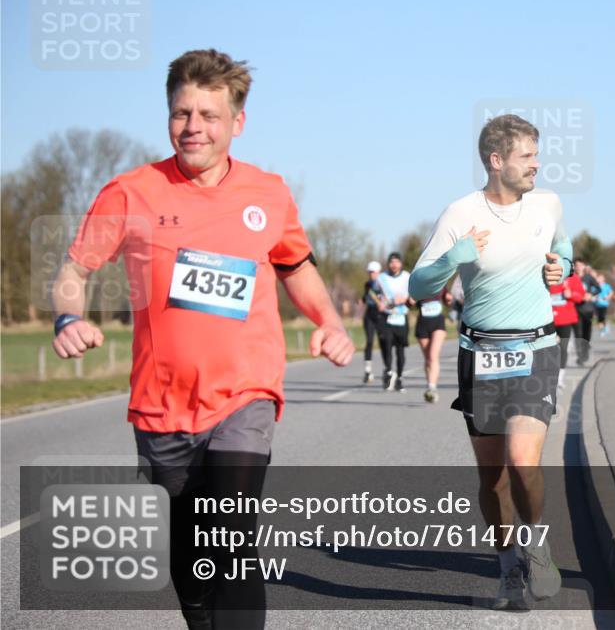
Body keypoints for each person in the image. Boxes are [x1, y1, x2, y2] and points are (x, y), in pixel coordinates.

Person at [50, 49, 355, 630]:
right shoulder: (130, 192)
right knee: (191, 558)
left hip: (245, 394)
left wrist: (330, 322)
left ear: (237, 122)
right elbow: (74, 271)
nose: (193, 127)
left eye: (208, 115)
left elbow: (297, 266)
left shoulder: (267, 193)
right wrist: (69, 318)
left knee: (234, 538)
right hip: (162, 406)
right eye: (181, 113)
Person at [409, 114, 571, 610]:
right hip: (480, 354)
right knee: (492, 477)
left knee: (524, 462)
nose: (537, 167)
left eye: (537, 156)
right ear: (496, 160)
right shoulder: (460, 214)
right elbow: (418, 286)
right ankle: (507, 571)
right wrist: (452, 257)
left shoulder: (547, 204)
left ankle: (537, 546)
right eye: (527, 157)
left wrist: (560, 265)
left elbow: (563, 248)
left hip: (535, 348)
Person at [377, 252, 411, 392]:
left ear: (401, 263)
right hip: (387, 316)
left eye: (397, 261)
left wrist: (402, 300)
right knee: (386, 345)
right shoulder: (382, 278)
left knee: (400, 349)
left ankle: (400, 378)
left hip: (402, 316)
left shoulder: (407, 277)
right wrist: (380, 302)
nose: (394, 264)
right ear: (388, 264)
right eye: (391, 262)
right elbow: (376, 294)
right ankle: (389, 371)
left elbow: (411, 296)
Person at [415, 286, 451, 403]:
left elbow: (447, 301)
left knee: (432, 356)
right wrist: (409, 300)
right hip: (422, 323)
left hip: (438, 322)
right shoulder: (417, 282)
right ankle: (430, 384)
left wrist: (449, 299)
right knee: (427, 359)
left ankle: (432, 388)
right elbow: (409, 304)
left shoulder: (441, 282)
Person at [551, 270, 584, 386]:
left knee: (563, 348)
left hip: (565, 319)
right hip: (547, 319)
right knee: (549, 348)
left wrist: (572, 295)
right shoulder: (546, 273)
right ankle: (549, 373)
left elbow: (581, 296)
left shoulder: (572, 277)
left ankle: (560, 377)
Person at [360, 260, 386, 384]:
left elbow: (388, 298)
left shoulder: (384, 284)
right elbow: (365, 298)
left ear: (378, 272)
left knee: (383, 342)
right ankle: (368, 370)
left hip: (381, 315)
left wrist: (383, 303)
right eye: (369, 272)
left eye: (373, 272)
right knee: (369, 341)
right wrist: (363, 300)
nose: (371, 275)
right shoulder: (367, 285)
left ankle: (387, 369)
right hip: (370, 314)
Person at [573, 260, 600, 365]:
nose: (578, 267)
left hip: (587, 309)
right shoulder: (571, 277)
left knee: (586, 334)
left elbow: (598, 288)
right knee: (578, 334)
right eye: (576, 265)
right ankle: (581, 357)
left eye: (580, 265)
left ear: (584, 266)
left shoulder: (588, 277)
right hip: (575, 309)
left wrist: (590, 294)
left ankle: (585, 349)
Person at [594, 272, 614, 337]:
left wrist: (608, 297)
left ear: (603, 279)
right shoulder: (595, 286)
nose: (599, 279)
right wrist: (595, 297)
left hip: (604, 304)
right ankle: (603, 328)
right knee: (599, 318)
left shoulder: (607, 286)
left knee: (603, 316)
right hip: (597, 304)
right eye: (598, 278)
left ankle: (603, 330)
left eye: (600, 278)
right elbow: (593, 294)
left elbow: (611, 293)